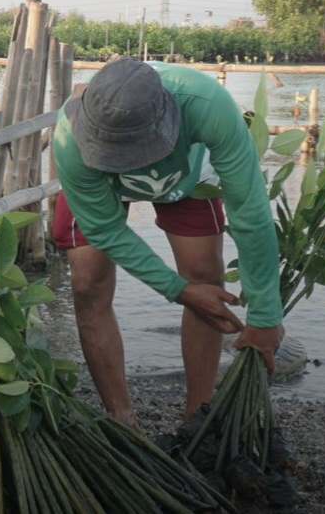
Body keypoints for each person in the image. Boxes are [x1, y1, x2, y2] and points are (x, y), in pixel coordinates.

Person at [52, 56, 284, 428]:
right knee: (86, 283)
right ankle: (121, 418)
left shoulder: (207, 104)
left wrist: (265, 315)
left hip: (187, 175)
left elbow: (250, 212)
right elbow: (106, 230)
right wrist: (177, 290)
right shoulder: (68, 138)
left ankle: (197, 417)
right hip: (98, 180)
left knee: (204, 275)